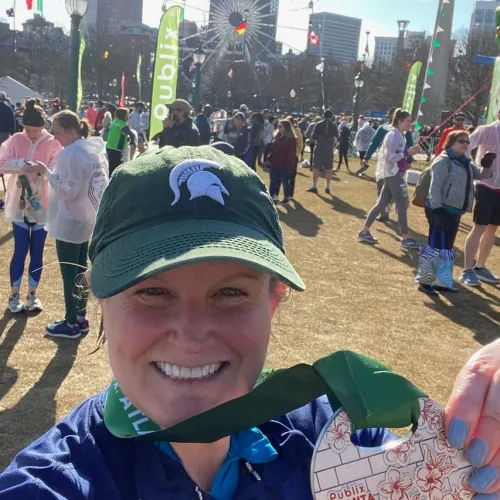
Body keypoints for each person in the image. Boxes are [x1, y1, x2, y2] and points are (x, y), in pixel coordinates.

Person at [2, 146, 500, 499]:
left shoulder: (341, 439)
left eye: (230, 293)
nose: (192, 332)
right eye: (152, 291)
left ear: (274, 302)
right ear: (98, 298)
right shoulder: (58, 480)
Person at [24, 110, 109, 338]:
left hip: (70, 220)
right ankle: (80, 317)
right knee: (80, 269)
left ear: (70, 129)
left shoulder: (70, 154)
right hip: (86, 217)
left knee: (69, 272)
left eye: (57, 131)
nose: (55, 136)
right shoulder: (93, 149)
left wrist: (46, 172)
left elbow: (67, 191)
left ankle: (71, 321)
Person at [0, 99, 63, 313]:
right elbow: (2, 162)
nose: (32, 134)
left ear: (43, 127)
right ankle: (14, 294)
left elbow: (58, 167)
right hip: (19, 202)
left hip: (42, 202)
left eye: (36, 130)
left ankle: (33, 294)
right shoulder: (16, 139)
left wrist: (42, 169)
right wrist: (20, 165)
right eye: (28, 130)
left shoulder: (53, 142)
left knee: (37, 250)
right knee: (20, 249)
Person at [417, 131, 493, 295]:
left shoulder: (465, 161)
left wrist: (487, 165)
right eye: (461, 141)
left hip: (454, 210)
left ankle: (442, 282)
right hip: (440, 209)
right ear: (450, 142)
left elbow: (481, 175)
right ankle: (425, 281)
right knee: (436, 245)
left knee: (447, 247)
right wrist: (437, 209)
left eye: (467, 141)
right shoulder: (443, 161)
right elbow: (435, 187)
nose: (466, 144)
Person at [357, 109, 421, 249]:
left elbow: (396, 155)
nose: (411, 124)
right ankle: (405, 238)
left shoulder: (399, 135)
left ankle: (364, 231)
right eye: (408, 121)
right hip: (393, 174)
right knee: (402, 204)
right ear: (400, 120)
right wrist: (407, 152)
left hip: (393, 173)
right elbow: (390, 157)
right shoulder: (393, 135)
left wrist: (408, 155)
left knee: (381, 204)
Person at [460, 111, 500, 287]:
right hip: (485, 185)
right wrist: (474, 168)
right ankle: (467, 270)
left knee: (493, 228)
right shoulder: (487, 130)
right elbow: (466, 145)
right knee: (480, 227)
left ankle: (480, 267)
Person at [307, 110, 339, 194]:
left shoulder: (318, 124)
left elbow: (313, 137)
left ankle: (314, 186)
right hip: (329, 149)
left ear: (323, 116)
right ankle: (327, 187)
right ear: (331, 117)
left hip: (319, 148)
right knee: (329, 169)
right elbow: (337, 138)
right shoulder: (334, 126)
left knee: (316, 168)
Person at [268, 120, 297, 205]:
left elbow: (291, 154)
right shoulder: (277, 136)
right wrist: (269, 158)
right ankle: (272, 195)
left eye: (280, 126)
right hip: (274, 163)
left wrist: (288, 166)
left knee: (285, 182)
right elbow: (272, 148)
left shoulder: (292, 139)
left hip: (284, 164)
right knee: (273, 180)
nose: (278, 128)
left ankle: (286, 198)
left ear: (286, 128)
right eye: (278, 126)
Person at [106, 108, 135, 176]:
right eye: (127, 115)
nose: (128, 117)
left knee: (111, 165)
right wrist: (132, 140)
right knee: (115, 167)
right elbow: (130, 133)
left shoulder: (114, 122)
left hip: (109, 146)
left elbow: (116, 133)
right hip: (117, 148)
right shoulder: (123, 124)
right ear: (124, 115)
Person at [287, 116, 303, 198]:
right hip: (284, 157)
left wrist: (292, 151)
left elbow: (300, 146)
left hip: (293, 157)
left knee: (292, 176)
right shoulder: (283, 132)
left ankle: (290, 194)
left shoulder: (298, 133)